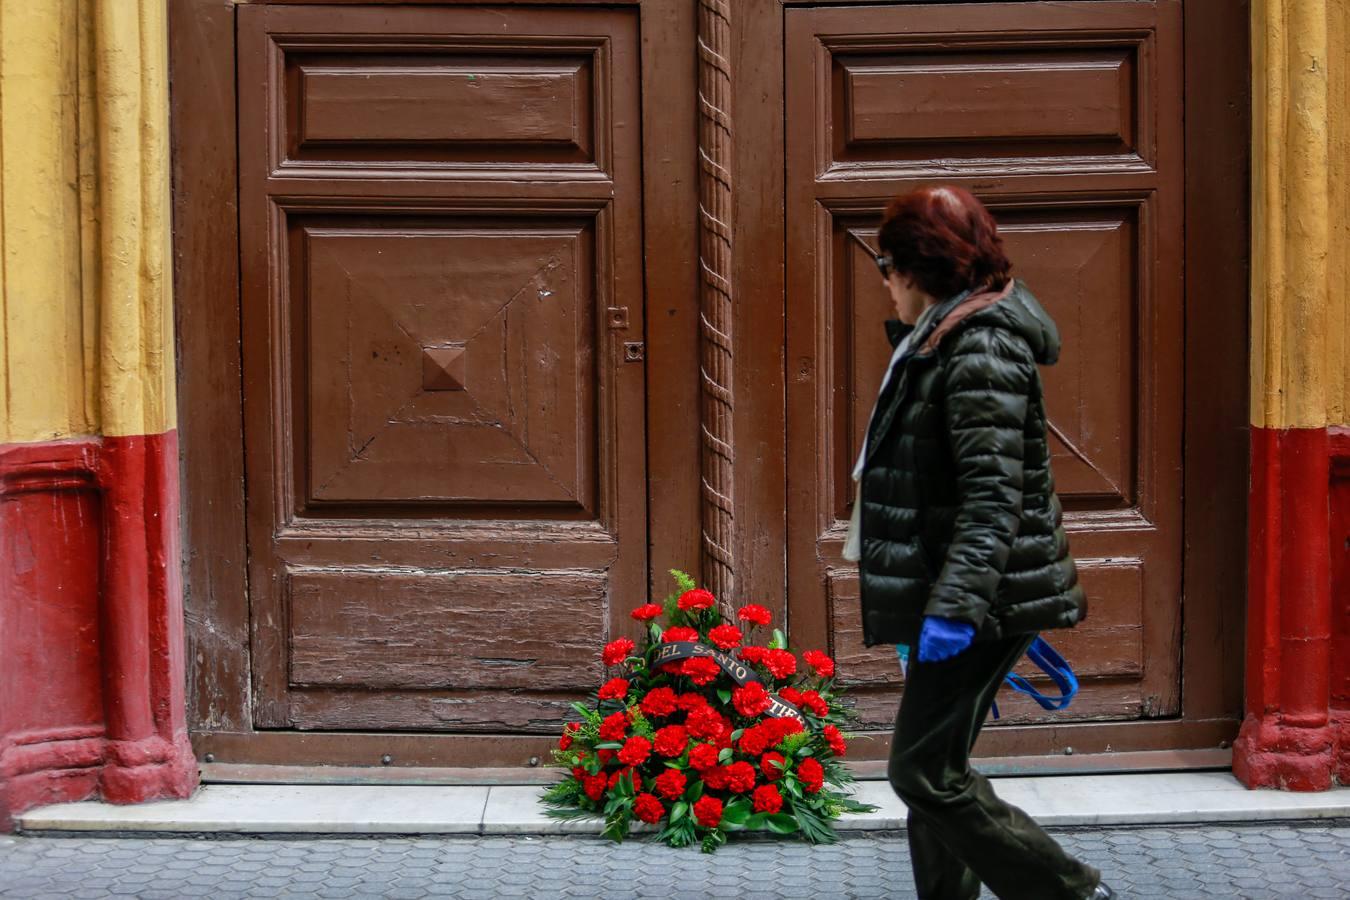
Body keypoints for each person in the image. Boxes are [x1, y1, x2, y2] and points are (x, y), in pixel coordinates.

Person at [843, 186, 1113, 900]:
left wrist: (955, 609)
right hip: (962, 589)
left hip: (981, 598)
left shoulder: (981, 346)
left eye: (887, 264)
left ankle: (1071, 891)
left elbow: (993, 499)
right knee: (940, 767)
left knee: (921, 772)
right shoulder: (947, 336)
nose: (884, 279)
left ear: (917, 269)